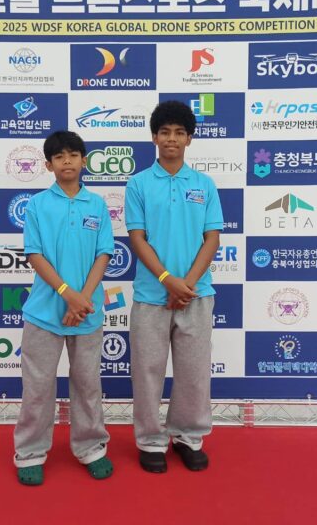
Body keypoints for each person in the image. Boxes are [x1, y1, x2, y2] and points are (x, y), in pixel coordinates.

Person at [125, 100, 223, 473]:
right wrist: (168, 280)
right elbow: (138, 238)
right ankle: (150, 440)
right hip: (152, 296)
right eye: (164, 132)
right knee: (147, 371)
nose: (171, 139)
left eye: (179, 133)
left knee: (193, 372)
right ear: (154, 137)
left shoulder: (204, 184)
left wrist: (187, 284)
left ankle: (188, 436)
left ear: (189, 139)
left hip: (196, 294)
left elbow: (212, 239)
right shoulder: (138, 183)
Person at [13, 130, 114, 485]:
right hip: (44, 312)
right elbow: (34, 254)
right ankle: (30, 451)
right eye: (59, 156)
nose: (66, 161)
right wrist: (67, 294)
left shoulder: (97, 205)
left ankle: (91, 447)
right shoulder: (38, 205)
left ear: (84, 160)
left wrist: (81, 299)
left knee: (87, 384)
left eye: (73, 154)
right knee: (38, 386)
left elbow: (104, 254)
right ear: (48, 165)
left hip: (87, 312)